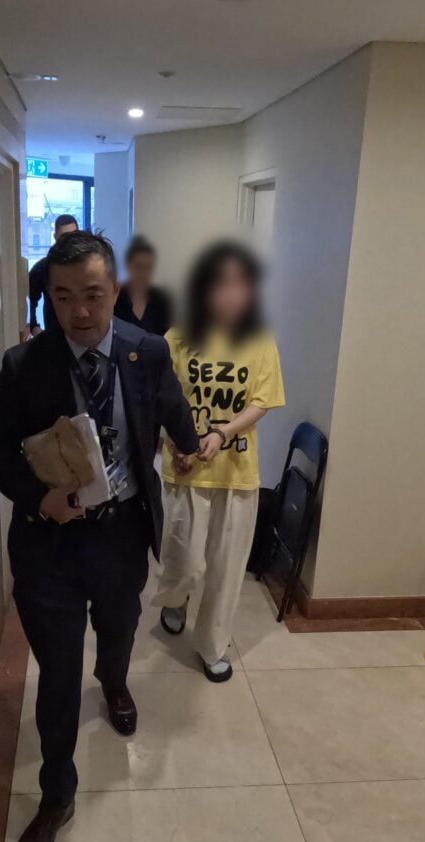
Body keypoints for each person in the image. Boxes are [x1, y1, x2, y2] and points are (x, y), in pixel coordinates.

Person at [0, 231, 198, 842]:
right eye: (64, 296)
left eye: (93, 295)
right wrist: (37, 497)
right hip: (49, 540)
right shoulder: (26, 365)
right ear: (49, 296)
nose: (80, 312)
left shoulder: (146, 351)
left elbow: (172, 410)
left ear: (114, 293)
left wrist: (194, 441)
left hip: (122, 530)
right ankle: (56, 796)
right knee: (58, 670)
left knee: (122, 623)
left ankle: (116, 680)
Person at [152, 241, 285, 682]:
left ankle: (212, 645)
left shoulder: (260, 341)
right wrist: (172, 440)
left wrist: (223, 432)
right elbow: (161, 398)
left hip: (237, 473)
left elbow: (264, 400)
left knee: (227, 570)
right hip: (186, 469)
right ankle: (175, 599)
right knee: (185, 561)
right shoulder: (177, 337)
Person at [25, 213, 78, 338]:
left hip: (83, 335)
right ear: (56, 237)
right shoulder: (44, 268)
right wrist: (34, 327)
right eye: (65, 237)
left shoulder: (86, 266)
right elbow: (29, 298)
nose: (70, 241)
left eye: (74, 235)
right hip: (55, 337)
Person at [114, 235, 173, 337]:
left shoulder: (161, 300)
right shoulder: (117, 297)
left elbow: (167, 338)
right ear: (128, 265)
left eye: (148, 267)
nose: (143, 273)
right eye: (139, 267)